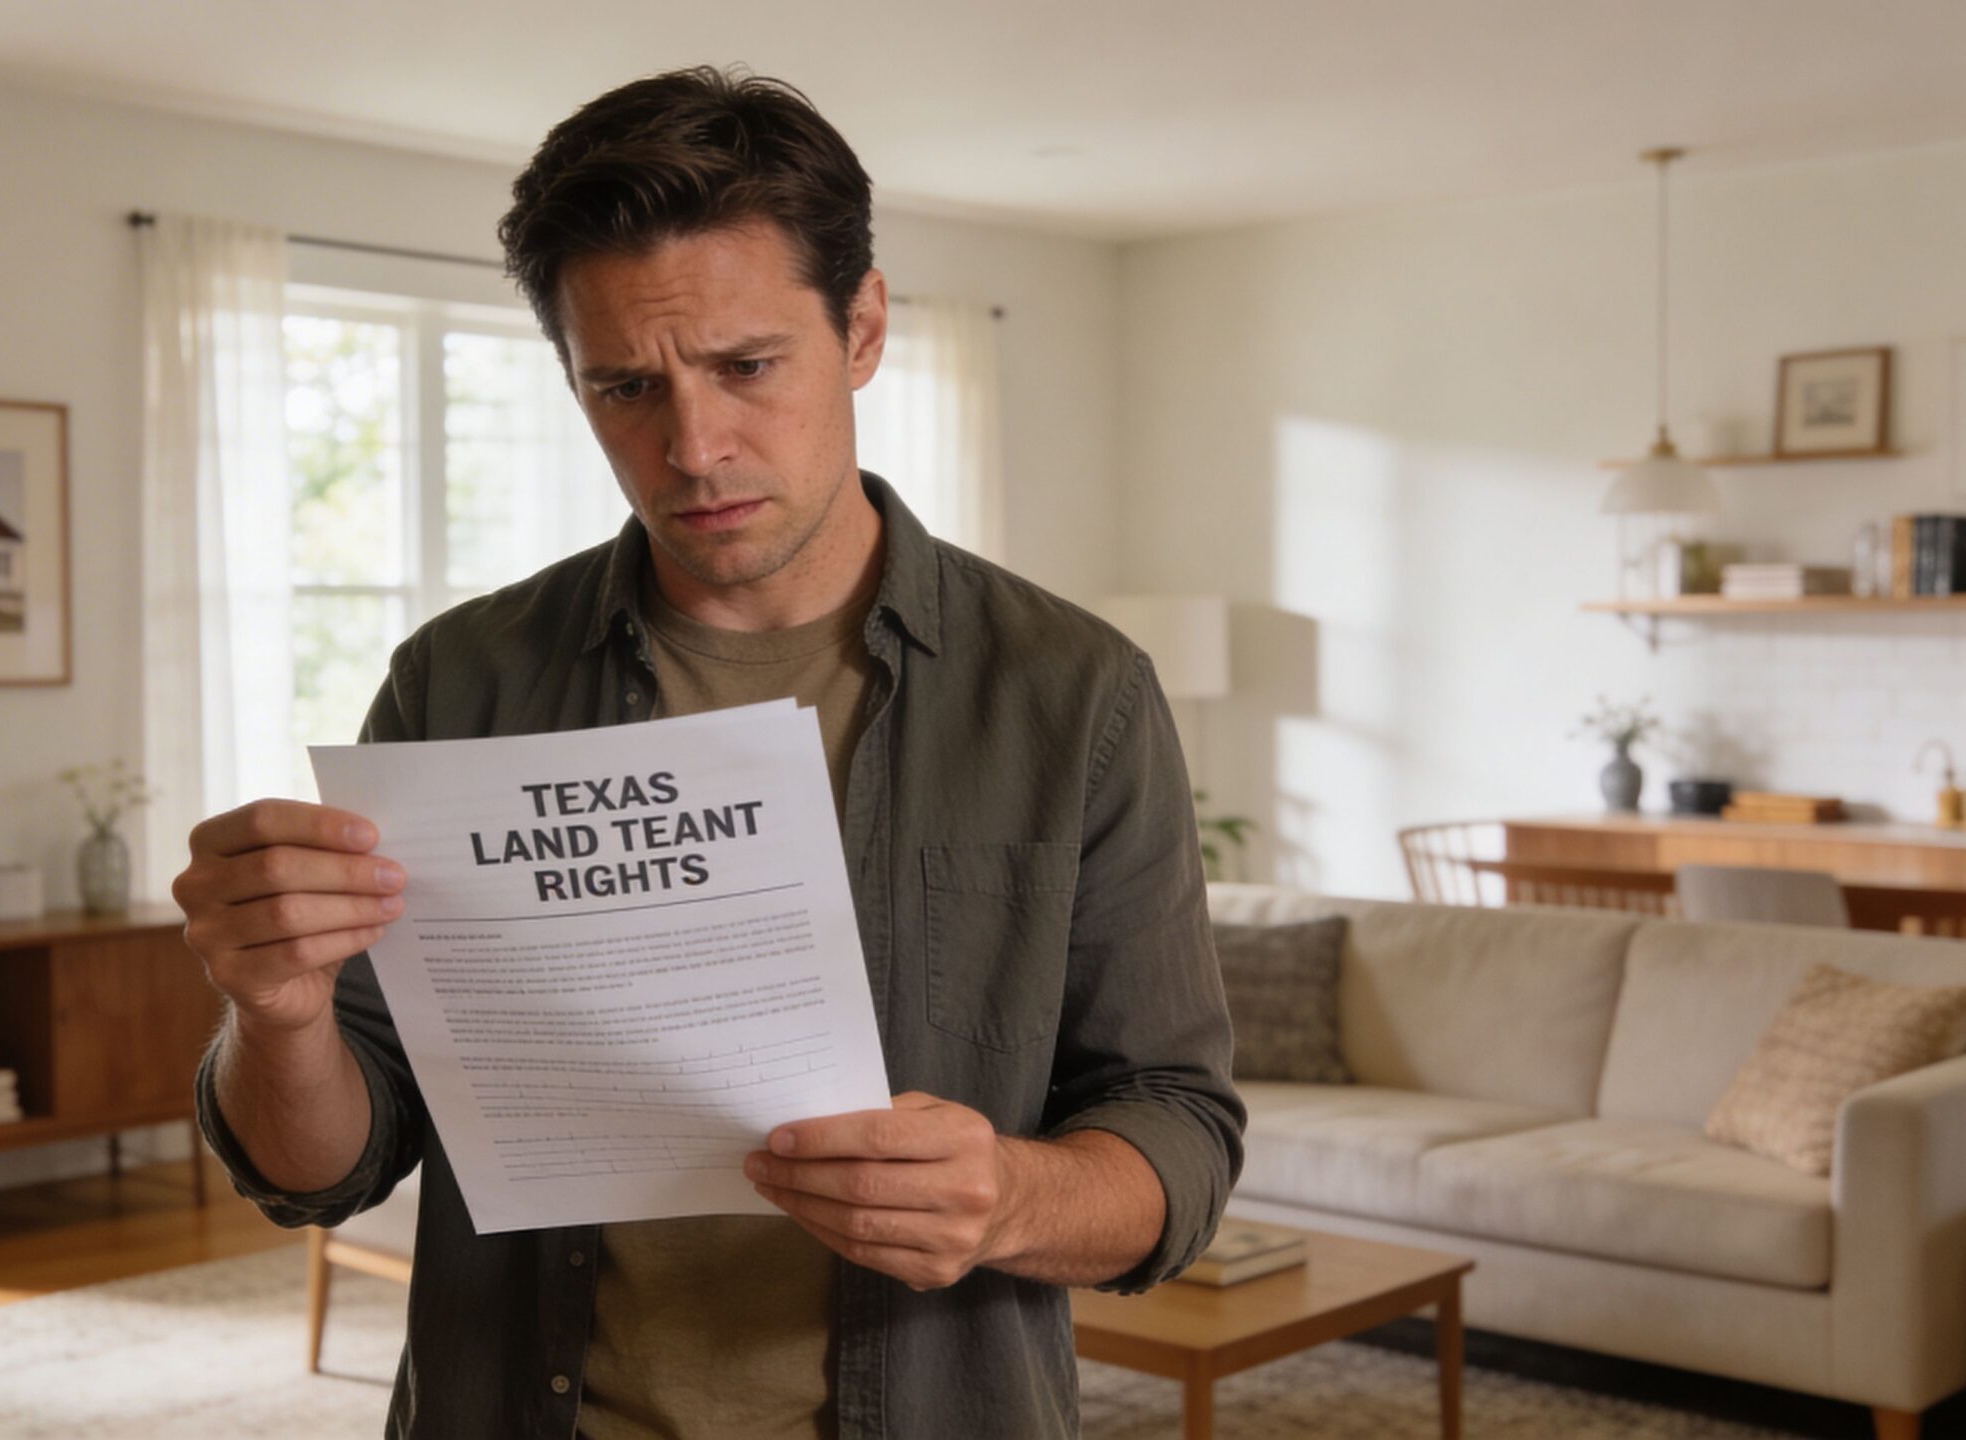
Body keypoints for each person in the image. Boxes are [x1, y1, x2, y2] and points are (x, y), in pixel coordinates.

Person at [174, 66, 1243, 1440]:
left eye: (746, 367)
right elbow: (325, 1167)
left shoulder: (1076, 693)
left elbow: (1177, 1128)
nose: (692, 445)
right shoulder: (459, 680)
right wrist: (278, 1015)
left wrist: (1011, 1200)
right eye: (625, 386)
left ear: (862, 328)